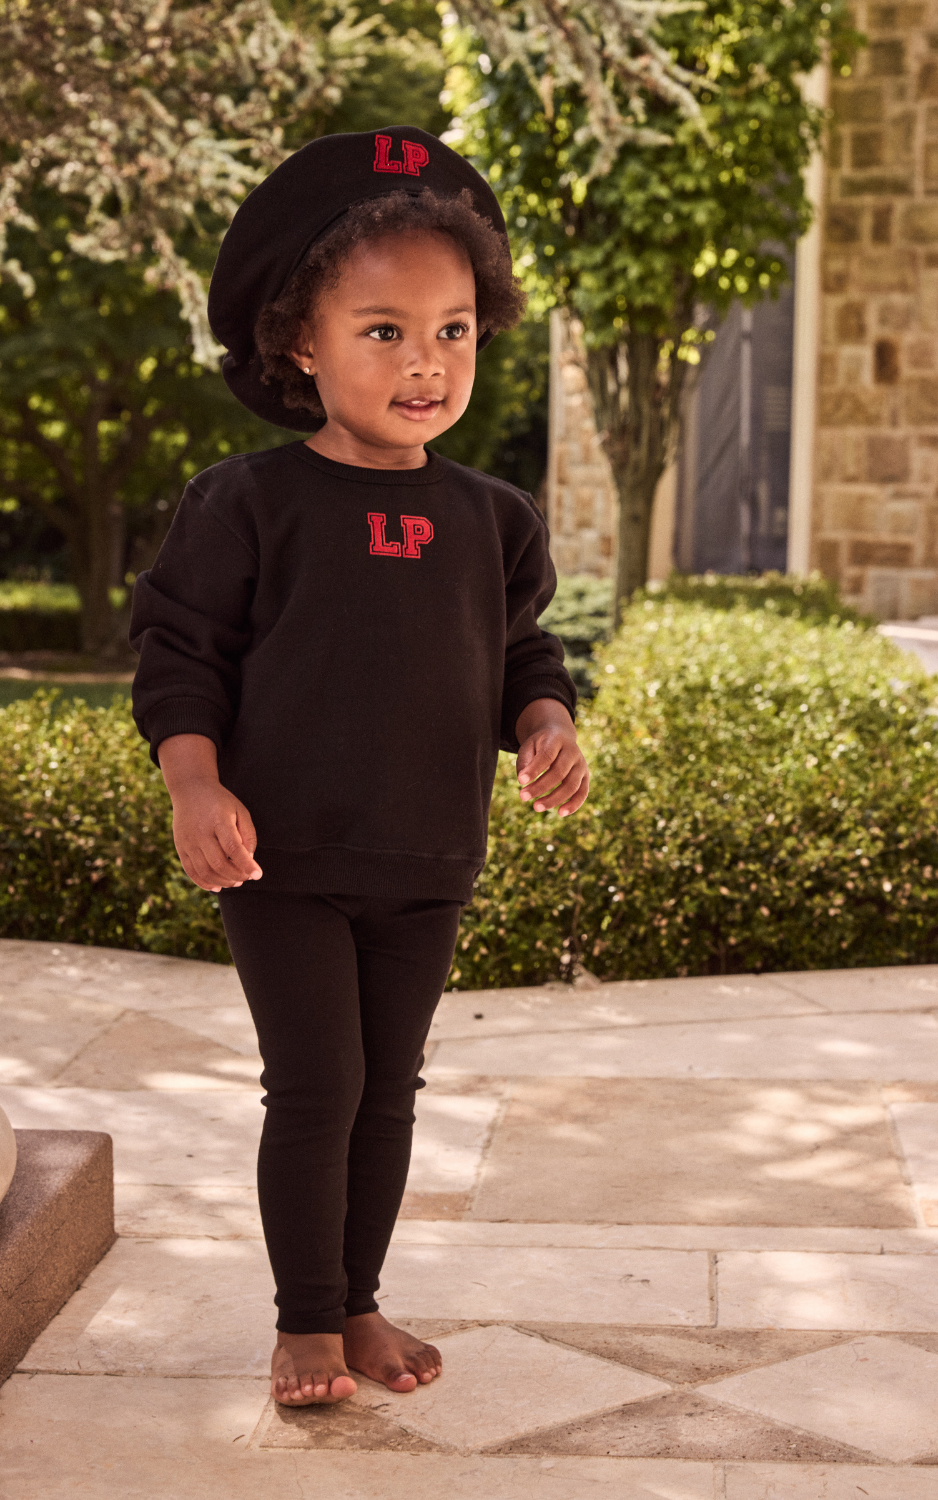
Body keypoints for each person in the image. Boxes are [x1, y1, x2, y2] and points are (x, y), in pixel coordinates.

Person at [129, 127, 589, 1408]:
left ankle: (362, 1300)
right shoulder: (247, 504)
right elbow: (180, 653)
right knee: (317, 1083)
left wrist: (545, 725)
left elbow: (519, 654)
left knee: (387, 1093)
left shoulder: (494, 518)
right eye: (383, 330)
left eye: (452, 329)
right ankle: (302, 1323)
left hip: (426, 857)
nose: (424, 361)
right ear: (300, 343)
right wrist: (193, 783)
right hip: (282, 858)